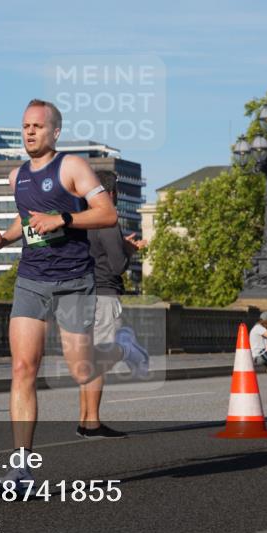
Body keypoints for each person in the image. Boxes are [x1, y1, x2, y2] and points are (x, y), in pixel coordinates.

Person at [0, 99, 149, 491]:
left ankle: (122, 347)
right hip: (31, 280)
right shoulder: (17, 176)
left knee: (81, 371)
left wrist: (64, 218)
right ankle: (21, 469)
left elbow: (107, 213)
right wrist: (3, 238)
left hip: (74, 280)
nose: (29, 132)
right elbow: (26, 220)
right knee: (23, 369)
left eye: (37, 126)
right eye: (25, 126)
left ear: (55, 131)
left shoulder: (71, 166)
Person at [79, 169, 148, 439]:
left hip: (79, 295)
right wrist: (129, 250)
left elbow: (96, 252)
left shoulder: (80, 219)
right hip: (104, 295)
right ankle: (93, 423)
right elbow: (118, 266)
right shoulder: (107, 220)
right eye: (116, 191)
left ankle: (85, 421)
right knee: (101, 356)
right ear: (109, 193)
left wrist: (120, 244)